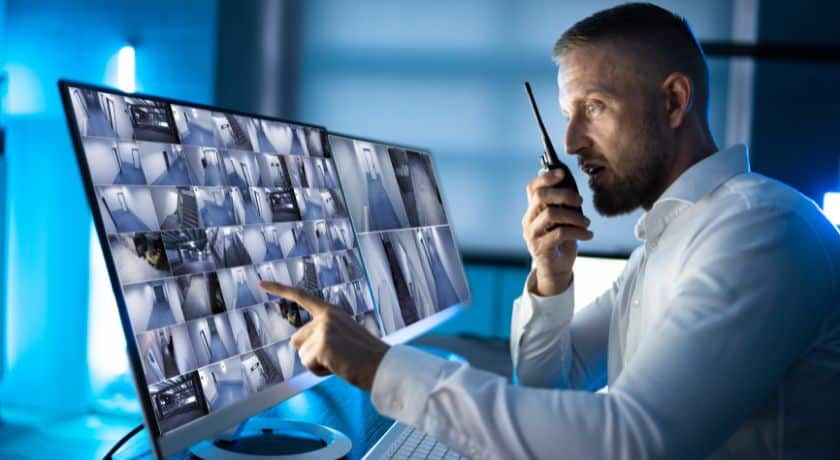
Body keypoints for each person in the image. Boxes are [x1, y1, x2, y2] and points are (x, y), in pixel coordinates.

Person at [259, 3, 840, 458]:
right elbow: (544, 387)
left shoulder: (759, 231)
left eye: (594, 107)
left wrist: (380, 366)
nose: (571, 142)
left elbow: (631, 441)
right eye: (567, 115)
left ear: (673, 101)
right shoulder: (671, 239)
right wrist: (551, 278)